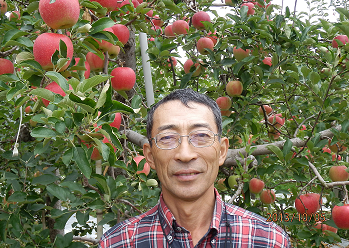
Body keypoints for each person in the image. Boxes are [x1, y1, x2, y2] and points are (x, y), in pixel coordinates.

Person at [99, 88, 291, 248]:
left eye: (201, 136)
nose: (185, 154)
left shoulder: (268, 240)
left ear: (222, 151)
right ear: (150, 156)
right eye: (167, 138)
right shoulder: (118, 243)